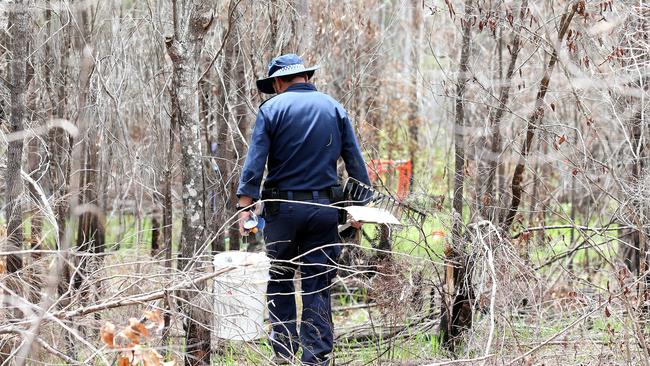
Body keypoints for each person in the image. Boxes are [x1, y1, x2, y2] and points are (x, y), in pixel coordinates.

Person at [236, 54, 370, 365]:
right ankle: (316, 359)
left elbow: (255, 163)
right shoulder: (335, 108)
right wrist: (360, 207)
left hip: (283, 212)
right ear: (306, 78)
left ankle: (283, 355)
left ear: (278, 82)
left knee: (281, 281)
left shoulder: (271, 109)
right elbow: (356, 165)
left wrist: (245, 206)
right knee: (318, 284)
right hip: (324, 209)